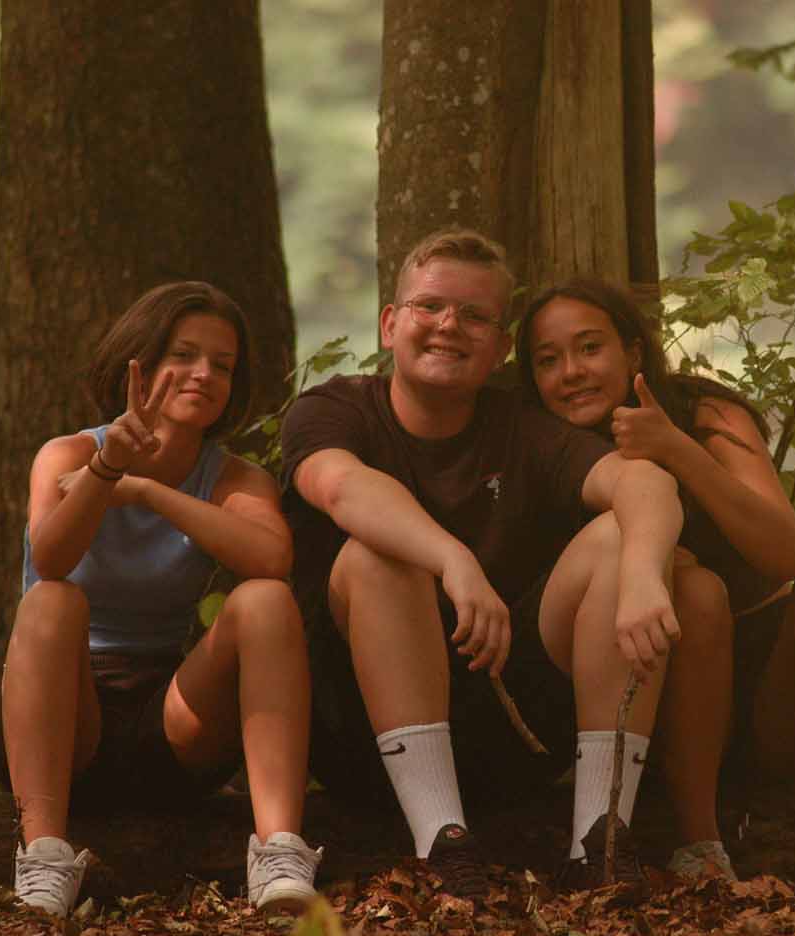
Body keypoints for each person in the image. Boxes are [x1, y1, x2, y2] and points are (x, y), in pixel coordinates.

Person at [279, 229, 723, 898]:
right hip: (362, 747)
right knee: (377, 553)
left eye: (474, 315)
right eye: (430, 306)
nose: (448, 326)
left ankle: (599, 843)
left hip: (515, 736)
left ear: (500, 346)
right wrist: (452, 559)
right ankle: (440, 847)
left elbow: (644, 482)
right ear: (390, 323)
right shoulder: (333, 410)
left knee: (618, 534)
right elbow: (343, 488)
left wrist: (640, 573)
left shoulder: (521, 427)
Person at [515, 278, 795, 884]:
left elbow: (784, 553)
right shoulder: (537, 441)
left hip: (762, 695)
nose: (571, 372)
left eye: (590, 348)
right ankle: (699, 845)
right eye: (548, 360)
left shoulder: (704, 412)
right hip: (652, 704)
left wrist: (676, 449)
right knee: (694, 590)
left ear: (633, 352)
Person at [0, 282, 320, 916]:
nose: (204, 374)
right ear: (137, 364)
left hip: (168, 723)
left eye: (222, 365)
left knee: (266, 600)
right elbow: (50, 560)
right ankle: (45, 855)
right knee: (53, 601)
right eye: (184, 355)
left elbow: (272, 559)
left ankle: (279, 851)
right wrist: (107, 468)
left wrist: (149, 492)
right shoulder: (68, 454)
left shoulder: (234, 477)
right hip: (59, 717)